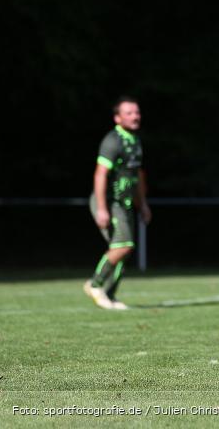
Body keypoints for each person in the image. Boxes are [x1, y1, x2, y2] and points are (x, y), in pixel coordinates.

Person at [83, 96, 151, 310]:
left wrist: (143, 204)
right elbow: (100, 174)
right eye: (129, 113)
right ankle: (95, 284)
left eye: (137, 112)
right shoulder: (113, 140)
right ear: (117, 118)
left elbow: (137, 176)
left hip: (126, 202)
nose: (135, 116)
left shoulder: (135, 141)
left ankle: (110, 296)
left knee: (124, 249)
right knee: (124, 245)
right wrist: (102, 208)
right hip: (110, 202)